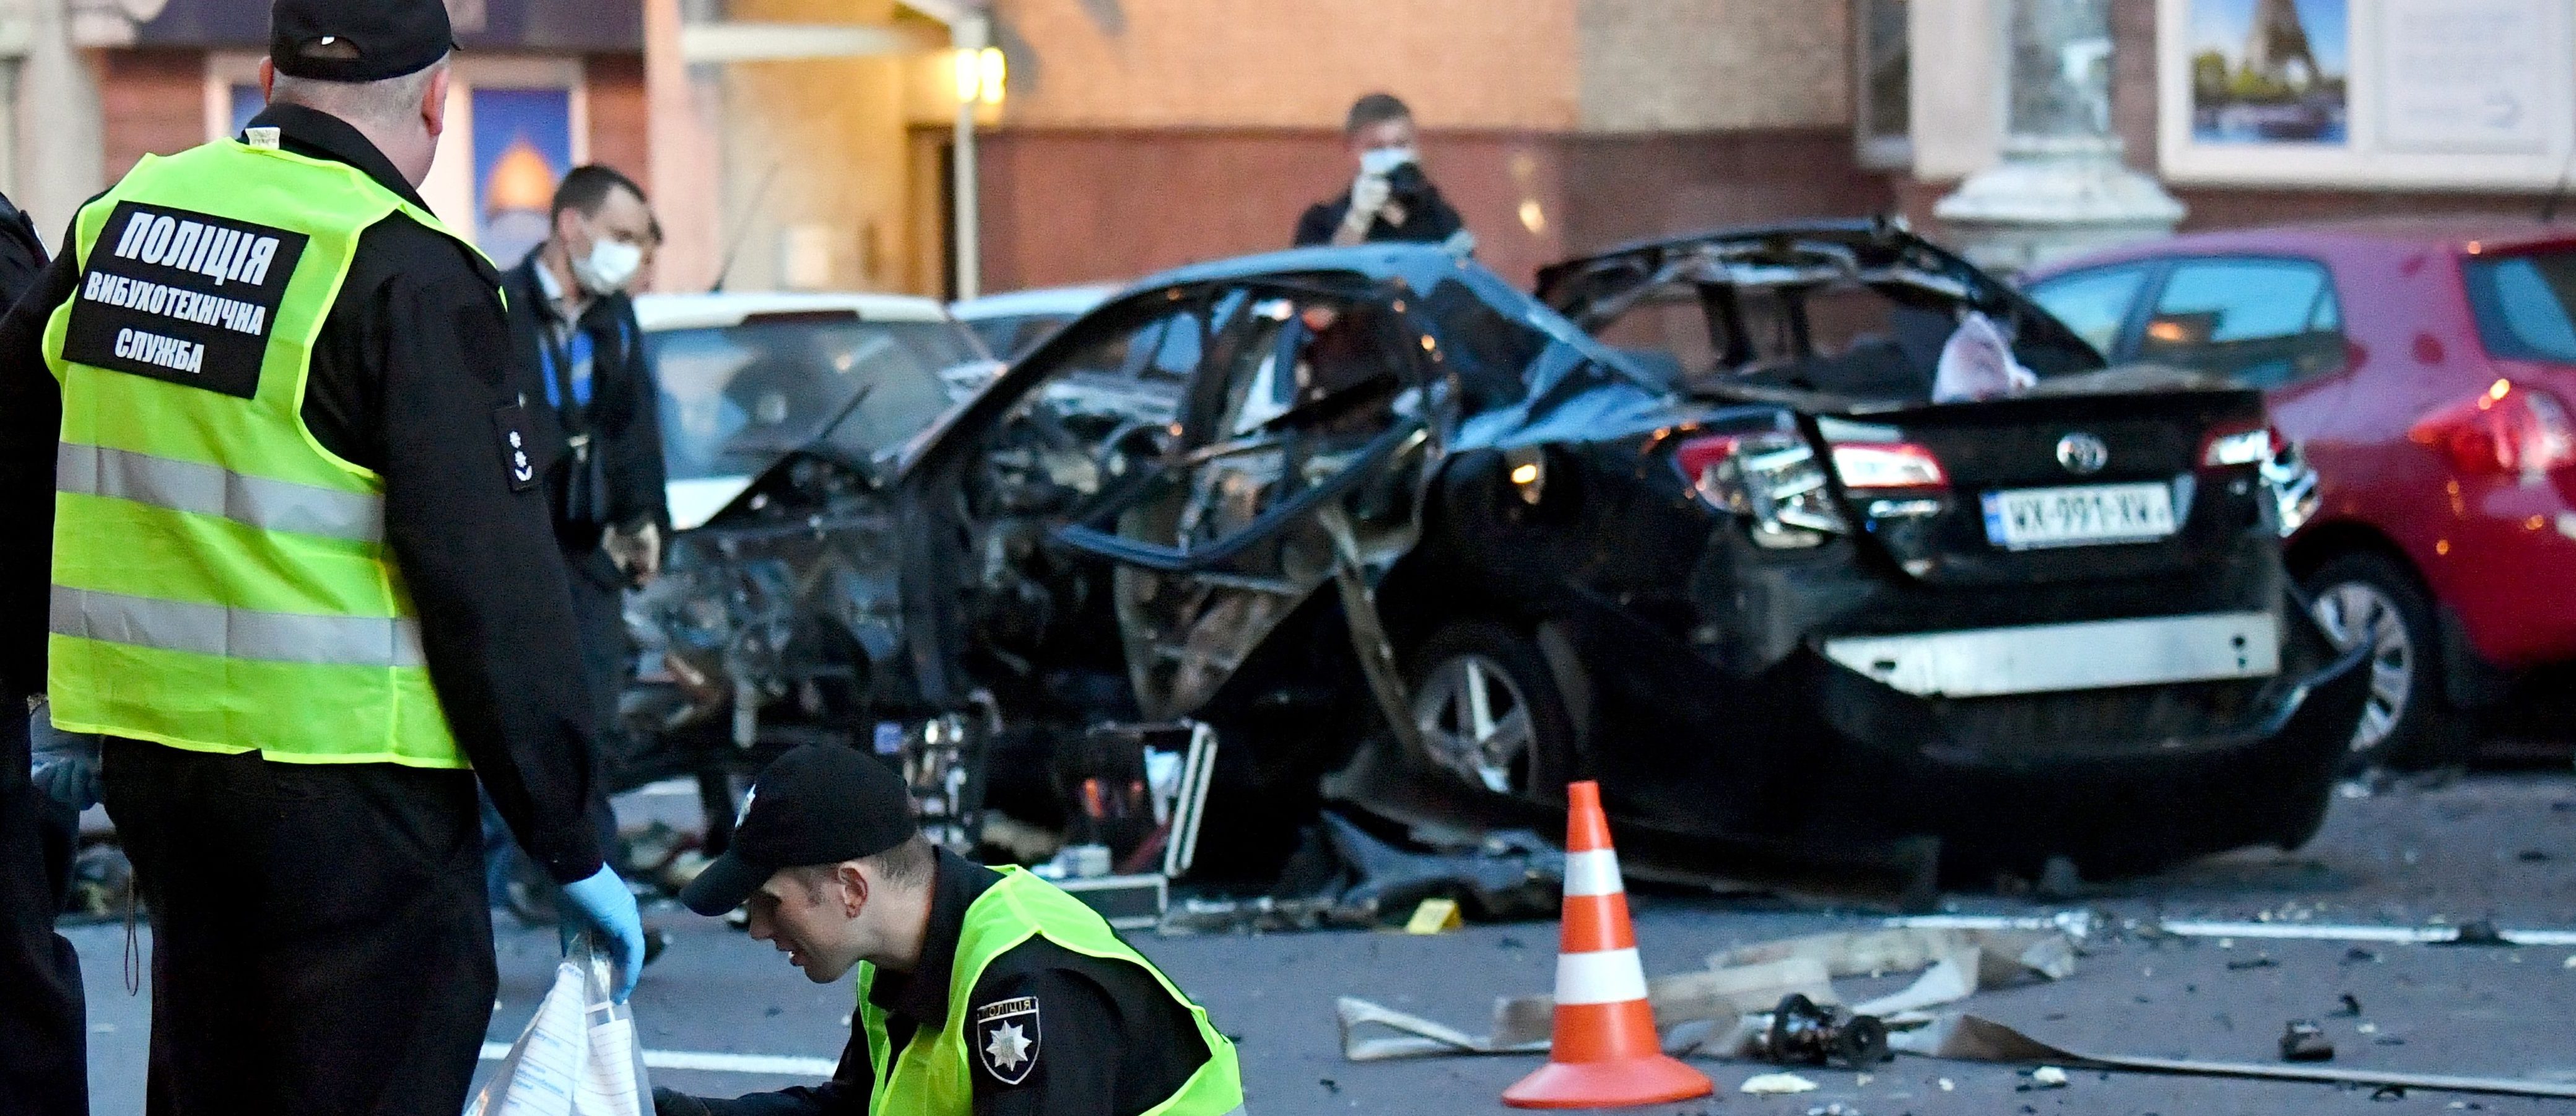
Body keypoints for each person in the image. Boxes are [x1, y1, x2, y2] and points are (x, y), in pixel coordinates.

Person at [0, 1, 645, 1112]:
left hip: (161, 774)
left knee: (215, 1077)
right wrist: (570, 834)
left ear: (268, 77)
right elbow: (492, 590)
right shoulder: (408, 271)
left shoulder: (122, 222)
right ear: (440, 98)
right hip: (356, 800)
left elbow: (15, 450)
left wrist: (36, 683)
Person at [652, 745, 1245, 1116]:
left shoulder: (1029, 980)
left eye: (769, 902)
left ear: (852, 889)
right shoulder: (898, 954)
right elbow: (855, 1108)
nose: (757, 928)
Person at [485, 164, 668, 917]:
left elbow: (634, 432)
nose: (630, 255)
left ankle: (586, 884)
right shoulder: (497, 303)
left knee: (589, 718)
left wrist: (645, 519)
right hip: (515, 546)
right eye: (621, 236)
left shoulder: (614, 319)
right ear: (572, 226)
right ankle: (520, 874)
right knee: (511, 716)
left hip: (588, 549)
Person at [1293, 92, 1471, 252]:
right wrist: (1357, 222)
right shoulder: (1319, 222)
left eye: (1400, 145)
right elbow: (1323, 281)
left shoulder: (1440, 217)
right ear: (1350, 151)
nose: (1391, 157)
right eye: (1376, 148)